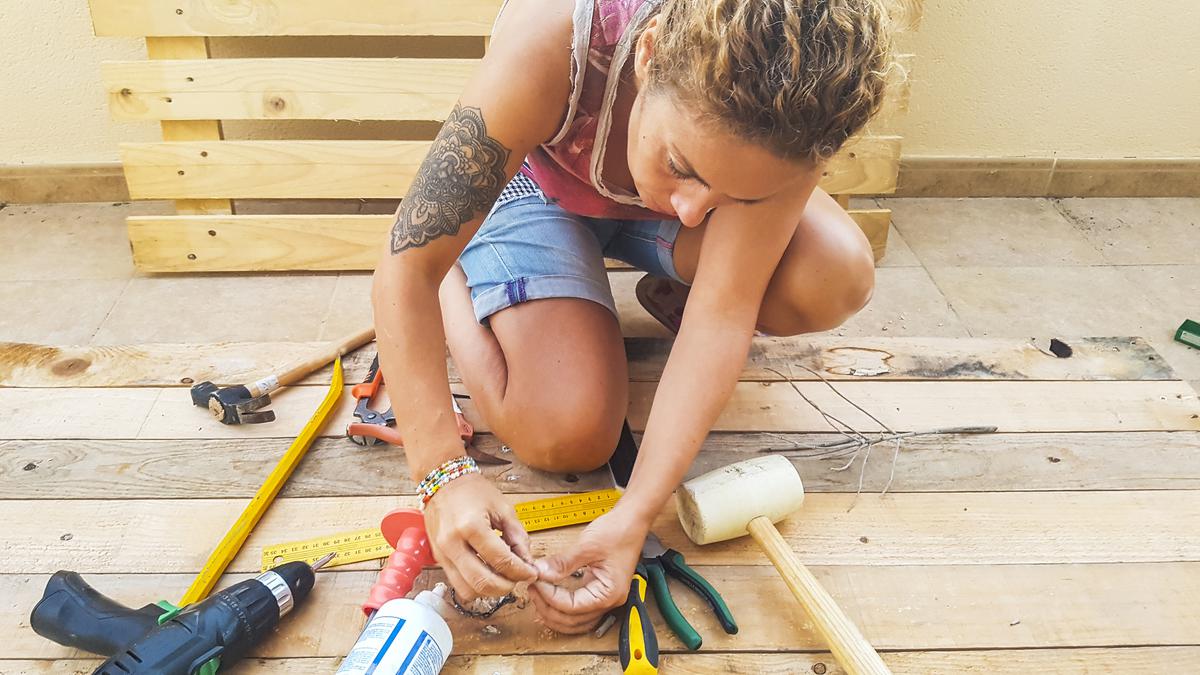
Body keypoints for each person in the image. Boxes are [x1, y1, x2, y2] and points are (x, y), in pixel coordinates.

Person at [371, 0, 896, 633]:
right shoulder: (553, 40)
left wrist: (634, 515)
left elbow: (722, 317)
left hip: (645, 208)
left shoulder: (793, 117)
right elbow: (404, 268)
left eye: (735, 196)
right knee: (566, 433)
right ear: (647, 54)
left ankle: (675, 255)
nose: (694, 212)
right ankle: (459, 270)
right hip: (532, 187)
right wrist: (443, 476)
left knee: (833, 275)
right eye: (682, 167)